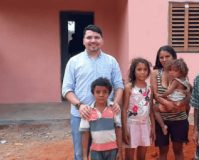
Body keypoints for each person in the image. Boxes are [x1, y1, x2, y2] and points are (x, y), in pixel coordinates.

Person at [62, 24, 124, 160]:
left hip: (106, 115)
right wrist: (80, 105)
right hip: (80, 114)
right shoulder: (74, 61)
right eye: (89, 37)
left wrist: (116, 103)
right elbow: (66, 89)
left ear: (102, 40)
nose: (93, 40)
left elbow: (119, 85)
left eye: (97, 37)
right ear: (83, 40)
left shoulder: (111, 61)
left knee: (107, 151)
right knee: (80, 154)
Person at [150, 45, 190, 160]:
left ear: (174, 57)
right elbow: (155, 95)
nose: (164, 59)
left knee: (178, 150)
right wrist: (169, 104)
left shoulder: (181, 73)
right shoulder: (155, 73)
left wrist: (181, 103)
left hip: (179, 118)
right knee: (163, 151)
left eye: (167, 56)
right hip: (162, 119)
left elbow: (187, 93)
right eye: (161, 57)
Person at [79, 77, 122, 160]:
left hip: (112, 150)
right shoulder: (87, 111)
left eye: (105, 92)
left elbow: (118, 129)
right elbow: (85, 134)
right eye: (98, 92)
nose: (101, 94)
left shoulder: (114, 109)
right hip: (96, 151)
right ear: (93, 93)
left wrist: (120, 150)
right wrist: (84, 156)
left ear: (109, 93)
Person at [122, 58, 155, 160]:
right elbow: (124, 109)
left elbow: (151, 109)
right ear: (134, 71)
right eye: (139, 69)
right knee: (129, 155)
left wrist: (153, 126)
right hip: (131, 125)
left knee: (142, 155)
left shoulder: (149, 88)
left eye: (145, 69)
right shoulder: (129, 87)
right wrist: (124, 129)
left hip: (145, 125)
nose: (142, 72)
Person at [155, 58, 191, 135]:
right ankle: (186, 117)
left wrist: (161, 95)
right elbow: (190, 90)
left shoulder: (176, 81)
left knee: (155, 108)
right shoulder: (185, 80)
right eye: (170, 70)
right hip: (180, 103)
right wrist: (184, 92)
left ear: (181, 72)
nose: (171, 72)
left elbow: (168, 92)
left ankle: (163, 126)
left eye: (174, 71)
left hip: (173, 101)